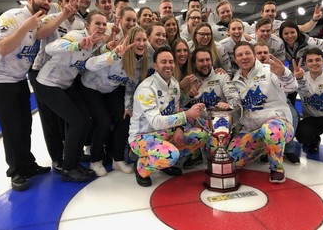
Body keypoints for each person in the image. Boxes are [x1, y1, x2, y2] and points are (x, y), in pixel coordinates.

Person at [0, 0, 52, 191]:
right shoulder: (11, 17)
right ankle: (16, 172)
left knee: (25, 125)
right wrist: (26, 26)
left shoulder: (39, 20)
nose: (46, 2)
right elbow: (2, 48)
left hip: (18, 78)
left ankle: (27, 164)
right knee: (12, 128)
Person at [34, 10, 107, 182]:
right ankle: (68, 168)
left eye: (104, 24)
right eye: (98, 23)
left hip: (67, 85)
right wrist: (77, 45)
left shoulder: (98, 41)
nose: (102, 27)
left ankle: (73, 161)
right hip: (48, 83)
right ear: (87, 25)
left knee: (86, 121)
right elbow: (50, 48)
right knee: (77, 121)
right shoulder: (76, 35)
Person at [216, 42, 298, 183]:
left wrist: (283, 73)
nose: (244, 57)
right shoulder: (235, 80)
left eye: (247, 53)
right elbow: (236, 106)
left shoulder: (270, 70)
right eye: (240, 55)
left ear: (254, 55)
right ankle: (266, 148)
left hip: (278, 124)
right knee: (231, 161)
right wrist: (228, 106)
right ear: (235, 60)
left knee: (270, 130)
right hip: (252, 129)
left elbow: (292, 87)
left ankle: (276, 168)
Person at [128, 46, 208, 187]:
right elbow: (157, 122)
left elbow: (175, 111)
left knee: (201, 136)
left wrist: (180, 128)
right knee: (171, 155)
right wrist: (187, 115)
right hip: (142, 136)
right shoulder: (146, 88)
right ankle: (142, 166)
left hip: (165, 132)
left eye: (171, 62)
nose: (168, 65)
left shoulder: (174, 84)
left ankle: (163, 163)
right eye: (163, 62)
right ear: (155, 66)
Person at [79, 26, 148, 176]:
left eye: (144, 40)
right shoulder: (117, 53)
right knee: (103, 121)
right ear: (129, 41)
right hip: (90, 87)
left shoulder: (140, 62)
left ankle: (117, 159)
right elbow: (89, 64)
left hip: (110, 90)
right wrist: (113, 55)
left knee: (125, 117)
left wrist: (128, 107)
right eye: (138, 40)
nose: (141, 43)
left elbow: (130, 86)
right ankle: (95, 160)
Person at [29, 0, 84, 173]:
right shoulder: (50, 19)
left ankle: (71, 153)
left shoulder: (80, 24)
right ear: (59, 3)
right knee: (50, 119)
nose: (72, 4)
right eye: (67, 0)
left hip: (66, 76)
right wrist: (62, 16)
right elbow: (40, 34)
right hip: (41, 73)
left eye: (74, 0)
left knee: (72, 117)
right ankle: (57, 159)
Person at [181, 48, 239, 169]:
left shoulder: (221, 76)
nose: (205, 63)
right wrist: (189, 95)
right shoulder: (189, 79)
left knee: (215, 155)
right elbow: (179, 103)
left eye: (208, 60)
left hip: (219, 123)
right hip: (199, 123)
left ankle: (218, 143)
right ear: (194, 63)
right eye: (201, 60)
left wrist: (228, 106)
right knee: (182, 113)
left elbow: (235, 98)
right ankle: (195, 154)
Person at [279, 20, 323, 105]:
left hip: (311, 76)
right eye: (286, 33)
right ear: (281, 35)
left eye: (292, 32)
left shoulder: (309, 41)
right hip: (293, 77)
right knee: (288, 101)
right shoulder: (280, 45)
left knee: (314, 102)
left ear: (298, 32)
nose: (290, 36)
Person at [254, 42, 301, 164]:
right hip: (260, 106)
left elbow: (292, 87)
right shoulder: (248, 71)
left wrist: (283, 74)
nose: (263, 55)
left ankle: (289, 150)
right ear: (253, 56)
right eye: (259, 53)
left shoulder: (277, 68)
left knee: (293, 115)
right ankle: (264, 150)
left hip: (281, 103)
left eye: (265, 52)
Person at [248, 1, 323, 35]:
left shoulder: (282, 25)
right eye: (267, 11)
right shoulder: (254, 27)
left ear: (276, 13)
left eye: (273, 11)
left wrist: (314, 19)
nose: (270, 13)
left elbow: (304, 28)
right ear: (262, 13)